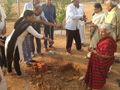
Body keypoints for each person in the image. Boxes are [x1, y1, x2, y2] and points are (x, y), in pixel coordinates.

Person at [5, 10, 57, 77]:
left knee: (10, 56)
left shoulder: (21, 21)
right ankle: (19, 74)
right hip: (16, 43)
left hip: (10, 40)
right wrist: (48, 39)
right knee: (16, 58)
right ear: (27, 17)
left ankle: (9, 71)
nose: (33, 18)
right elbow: (37, 35)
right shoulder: (27, 26)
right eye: (32, 17)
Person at [84, 24, 117, 90]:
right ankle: (92, 86)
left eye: (102, 32)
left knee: (98, 78)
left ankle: (96, 88)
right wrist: (94, 49)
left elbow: (107, 56)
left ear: (109, 33)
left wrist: (93, 51)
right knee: (95, 77)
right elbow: (101, 49)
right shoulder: (106, 39)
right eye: (100, 31)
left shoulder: (108, 42)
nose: (100, 33)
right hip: (97, 62)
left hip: (100, 64)